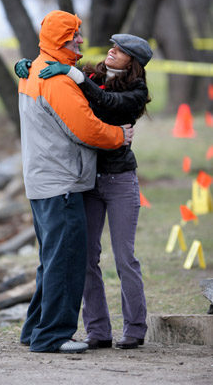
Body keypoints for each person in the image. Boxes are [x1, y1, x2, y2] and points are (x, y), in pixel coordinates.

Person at [16, 32, 152, 350]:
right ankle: (98, 331)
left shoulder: (136, 90)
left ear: (133, 62)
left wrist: (76, 76)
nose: (111, 51)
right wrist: (24, 65)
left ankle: (135, 327)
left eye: (120, 51)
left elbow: (108, 103)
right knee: (87, 259)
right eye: (113, 47)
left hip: (120, 180)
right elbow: (55, 73)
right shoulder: (92, 74)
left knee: (125, 258)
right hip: (88, 181)